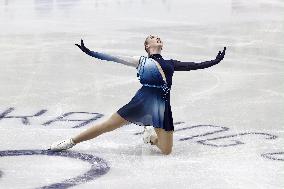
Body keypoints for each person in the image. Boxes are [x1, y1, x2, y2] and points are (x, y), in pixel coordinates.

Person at [48, 35, 226, 155]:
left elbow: (194, 65)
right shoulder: (140, 61)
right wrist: (89, 51)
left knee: (166, 150)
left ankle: (150, 136)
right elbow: (112, 57)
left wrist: (215, 61)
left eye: (158, 38)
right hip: (141, 101)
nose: (157, 39)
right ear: (147, 46)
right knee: (108, 125)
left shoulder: (171, 63)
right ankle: (70, 141)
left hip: (162, 106)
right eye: (152, 38)